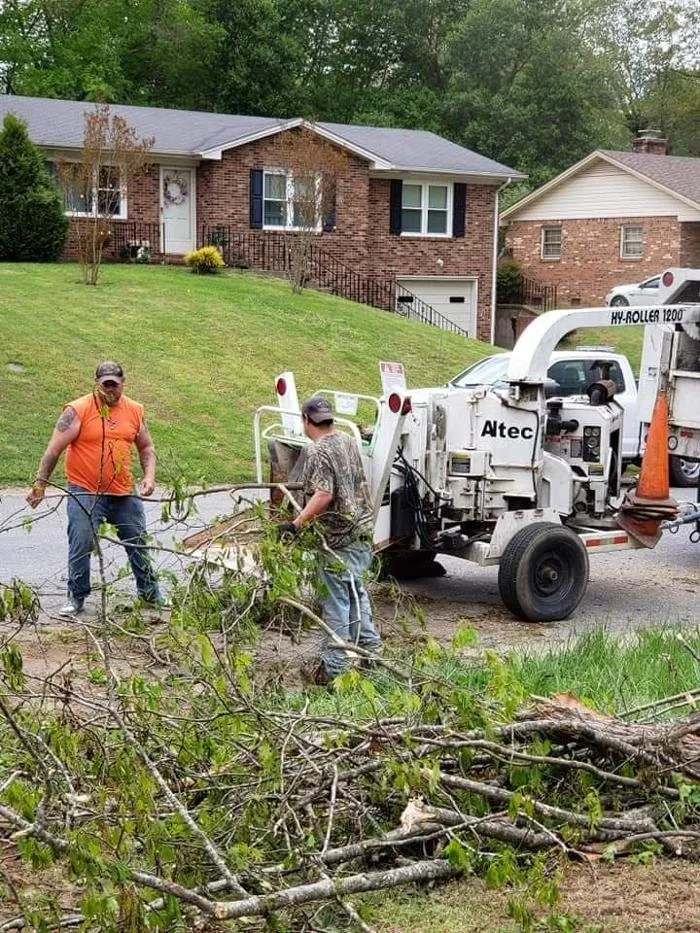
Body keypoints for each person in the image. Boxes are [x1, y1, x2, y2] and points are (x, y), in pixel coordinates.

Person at [26, 361, 163, 616]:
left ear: (123, 383)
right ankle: (76, 596)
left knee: (138, 541)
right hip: (85, 490)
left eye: (114, 384)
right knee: (81, 541)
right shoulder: (77, 410)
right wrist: (40, 484)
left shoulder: (134, 410)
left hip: (123, 491)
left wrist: (149, 476)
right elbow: (54, 449)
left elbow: (146, 447)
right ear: (97, 384)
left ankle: (150, 594)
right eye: (105, 385)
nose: (110, 390)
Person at [279, 396, 382, 683]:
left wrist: (295, 525)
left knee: (336, 603)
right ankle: (372, 655)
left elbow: (324, 494)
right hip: (362, 530)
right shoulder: (348, 440)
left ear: (306, 420)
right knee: (356, 595)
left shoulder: (317, 450)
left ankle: (334, 670)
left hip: (339, 538)